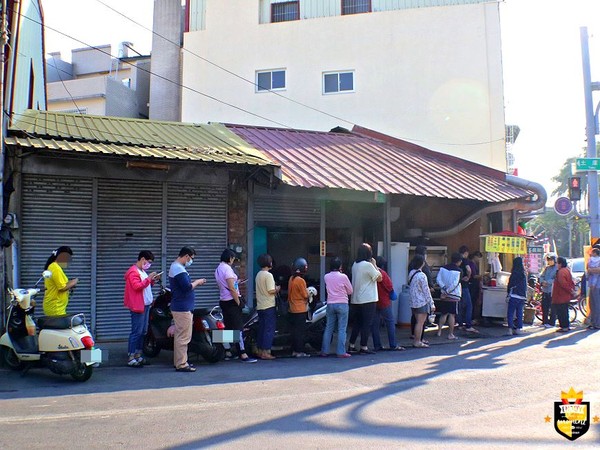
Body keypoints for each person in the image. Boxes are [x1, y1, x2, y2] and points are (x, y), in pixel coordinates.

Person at [168, 246, 207, 372]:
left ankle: (179, 362)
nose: (191, 261)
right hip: (182, 308)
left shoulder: (176, 267)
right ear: (186, 256)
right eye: (191, 259)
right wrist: (198, 282)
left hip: (181, 306)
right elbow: (187, 287)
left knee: (180, 336)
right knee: (184, 337)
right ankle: (182, 364)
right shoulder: (178, 269)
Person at [216, 248, 257, 363]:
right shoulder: (228, 269)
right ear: (230, 258)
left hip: (224, 300)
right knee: (238, 328)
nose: (233, 261)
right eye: (233, 258)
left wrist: (237, 282)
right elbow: (232, 289)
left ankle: (227, 350)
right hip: (231, 301)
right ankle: (243, 354)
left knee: (228, 327)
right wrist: (238, 303)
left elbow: (225, 284)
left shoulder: (218, 269)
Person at [123, 250, 159, 367]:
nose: (149, 264)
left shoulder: (142, 271)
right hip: (138, 306)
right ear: (142, 259)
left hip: (146, 305)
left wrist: (152, 280)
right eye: (148, 262)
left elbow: (145, 285)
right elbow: (137, 286)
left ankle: (138, 355)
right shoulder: (133, 272)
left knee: (143, 332)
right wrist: (149, 278)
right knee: (136, 332)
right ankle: (131, 356)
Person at [348, 243, 382, 354]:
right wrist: (375, 265)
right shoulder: (368, 265)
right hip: (368, 299)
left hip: (356, 299)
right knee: (367, 323)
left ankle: (351, 345)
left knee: (357, 323)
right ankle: (364, 346)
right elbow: (379, 278)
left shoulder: (355, 264)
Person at [321, 257, 353, 358]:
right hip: (342, 304)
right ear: (340, 266)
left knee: (329, 328)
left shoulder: (326, 277)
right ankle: (341, 352)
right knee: (342, 329)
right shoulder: (343, 277)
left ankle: (324, 351)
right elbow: (350, 291)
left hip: (330, 304)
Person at [371, 256, 404, 351]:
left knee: (375, 324)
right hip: (384, 301)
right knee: (390, 322)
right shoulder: (382, 273)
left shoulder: (370, 273)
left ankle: (377, 345)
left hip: (374, 300)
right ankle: (393, 344)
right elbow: (389, 286)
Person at [255, 253, 280, 360]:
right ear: (269, 263)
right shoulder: (268, 275)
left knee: (262, 329)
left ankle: (260, 351)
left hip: (260, 306)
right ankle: (266, 352)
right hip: (269, 306)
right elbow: (271, 290)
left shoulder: (258, 274)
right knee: (269, 330)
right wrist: (278, 288)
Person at [408, 254, 435, 347]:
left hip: (413, 301)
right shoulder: (422, 275)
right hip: (421, 301)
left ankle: (418, 340)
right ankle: (417, 341)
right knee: (420, 323)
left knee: (417, 322)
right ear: (422, 263)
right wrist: (432, 303)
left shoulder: (411, 273)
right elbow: (426, 291)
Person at [43, 246, 79, 317]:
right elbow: (62, 287)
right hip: (56, 307)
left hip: (57, 306)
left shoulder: (54, 267)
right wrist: (75, 281)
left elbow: (61, 285)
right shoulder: (55, 268)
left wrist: (70, 284)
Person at [436, 252, 462, 340]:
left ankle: (439, 331)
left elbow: (438, 279)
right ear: (459, 261)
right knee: (452, 315)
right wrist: (448, 291)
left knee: (443, 314)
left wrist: (443, 289)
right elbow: (455, 283)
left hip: (443, 294)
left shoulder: (442, 268)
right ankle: (450, 334)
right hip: (453, 295)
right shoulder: (459, 271)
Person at [288, 257, 310, 358]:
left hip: (292, 308)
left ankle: (294, 350)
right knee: (301, 332)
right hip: (300, 309)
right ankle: (300, 351)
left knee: (294, 331)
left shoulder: (291, 279)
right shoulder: (300, 280)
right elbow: (305, 295)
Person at [552, 256, 575, 332]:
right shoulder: (567, 270)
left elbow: (563, 284)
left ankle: (564, 326)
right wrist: (571, 290)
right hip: (565, 295)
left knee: (561, 312)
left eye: (557, 263)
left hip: (560, 295)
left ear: (560, 264)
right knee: (565, 311)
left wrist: (570, 290)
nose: (556, 265)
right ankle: (566, 326)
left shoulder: (561, 272)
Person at [457, 245, 477, 332]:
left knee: (459, 306)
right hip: (464, 286)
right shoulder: (465, 260)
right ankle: (468, 325)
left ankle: (460, 324)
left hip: (457, 286)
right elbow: (469, 270)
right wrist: (468, 277)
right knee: (469, 305)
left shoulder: (456, 260)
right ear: (466, 253)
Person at [506, 256, 527, 335]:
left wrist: (508, 293)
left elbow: (510, 285)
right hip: (522, 296)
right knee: (519, 313)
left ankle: (510, 330)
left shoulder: (514, 273)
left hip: (514, 295)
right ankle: (518, 329)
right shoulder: (523, 274)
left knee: (510, 313)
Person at [538, 253, 558, 328]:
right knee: (544, 306)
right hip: (545, 289)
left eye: (551, 260)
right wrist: (542, 282)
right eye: (548, 260)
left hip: (552, 290)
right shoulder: (547, 268)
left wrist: (548, 282)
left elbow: (556, 278)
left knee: (552, 307)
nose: (549, 261)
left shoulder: (557, 268)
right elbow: (541, 276)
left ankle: (552, 322)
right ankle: (544, 321)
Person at [585, 248, 600, 329]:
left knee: (597, 304)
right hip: (592, 285)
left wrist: (591, 270)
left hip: (597, 286)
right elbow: (588, 269)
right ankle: (593, 322)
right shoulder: (590, 260)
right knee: (592, 304)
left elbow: (598, 270)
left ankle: (597, 323)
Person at [468, 251, 483, 320]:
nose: (479, 260)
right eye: (479, 258)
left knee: (473, 302)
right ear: (475, 257)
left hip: (474, 285)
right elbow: (474, 276)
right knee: (472, 302)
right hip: (472, 286)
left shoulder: (474, 264)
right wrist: (483, 275)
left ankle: (471, 318)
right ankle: (470, 318)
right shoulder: (471, 264)